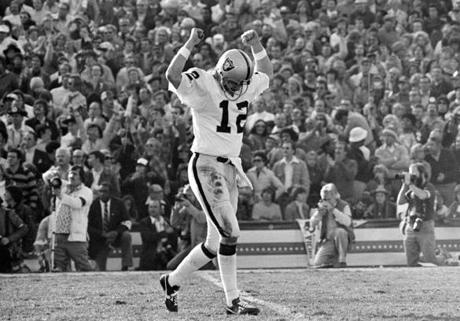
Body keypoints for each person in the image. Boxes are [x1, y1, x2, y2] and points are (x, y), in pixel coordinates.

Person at [160, 27, 272, 315]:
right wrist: (189, 43)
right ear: (221, 73)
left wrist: (257, 45)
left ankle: (171, 282)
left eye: (241, 84)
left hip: (231, 167)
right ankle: (233, 301)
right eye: (232, 83)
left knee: (214, 243)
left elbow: (267, 73)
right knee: (231, 232)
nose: (237, 89)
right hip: (207, 164)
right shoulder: (204, 82)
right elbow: (172, 76)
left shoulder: (245, 82)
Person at [52, 165, 93, 272]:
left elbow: (77, 203)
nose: (71, 176)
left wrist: (61, 195)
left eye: (75, 174)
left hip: (75, 235)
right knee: (59, 267)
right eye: (70, 173)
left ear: (81, 177)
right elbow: (45, 178)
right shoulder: (64, 188)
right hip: (59, 233)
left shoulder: (87, 191)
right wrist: (55, 175)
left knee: (83, 266)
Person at [397, 163, 438, 266]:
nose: (411, 175)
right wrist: (404, 185)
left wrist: (410, 184)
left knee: (430, 259)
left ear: (422, 173)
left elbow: (423, 195)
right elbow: (400, 201)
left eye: (413, 172)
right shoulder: (411, 188)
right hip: (411, 225)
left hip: (425, 225)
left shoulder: (429, 186)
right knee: (411, 261)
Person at [87, 182, 133, 271]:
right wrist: (102, 234)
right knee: (100, 269)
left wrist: (116, 232)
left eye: (105, 191)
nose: (102, 193)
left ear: (110, 192)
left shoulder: (119, 203)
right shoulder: (92, 205)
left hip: (116, 235)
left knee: (127, 235)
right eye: (100, 191)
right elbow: (88, 225)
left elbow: (127, 222)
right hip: (99, 238)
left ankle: (126, 265)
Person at [309, 183, 353, 268]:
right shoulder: (321, 206)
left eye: (328, 199)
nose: (326, 202)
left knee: (340, 231)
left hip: (343, 239)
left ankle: (342, 260)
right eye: (324, 199)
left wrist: (333, 210)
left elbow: (348, 222)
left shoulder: (344, 205)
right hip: (328, 240)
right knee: (318, 264)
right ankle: (332, 262)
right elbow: (312, 224)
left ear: (334, 196)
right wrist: (319, 214)